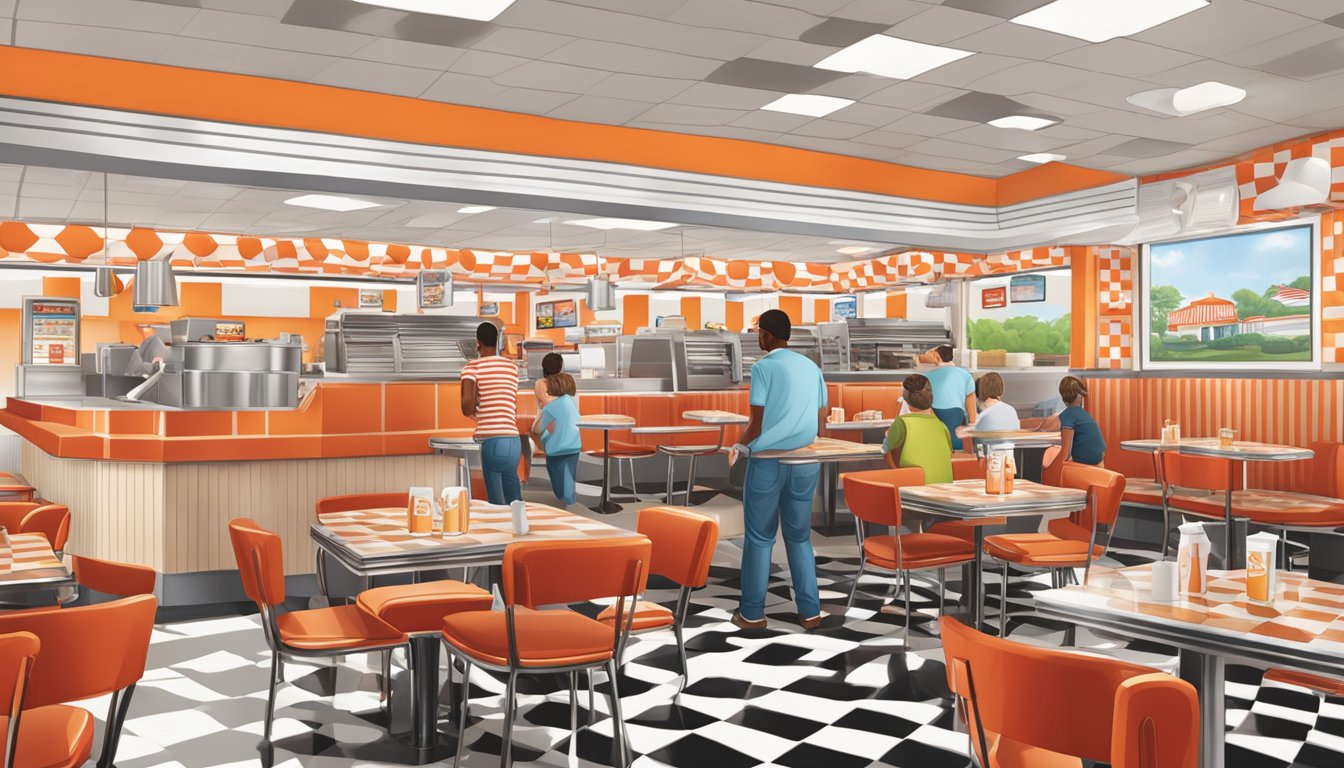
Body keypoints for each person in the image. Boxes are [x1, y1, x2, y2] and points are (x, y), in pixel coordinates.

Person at [730, 309, 828, 631]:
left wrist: (739, 448)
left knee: (760, 538)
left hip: (768, 461)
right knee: (799, 537)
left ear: (767, 336)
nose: (758, 337)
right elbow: (821, 421)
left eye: (759, 332)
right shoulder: (812, 367)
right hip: (805, 463)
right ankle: (810, 612)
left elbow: (756, 424)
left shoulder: (762, 367)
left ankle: (753, 613)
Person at [460, 322, 522, 505]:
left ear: (477, 343)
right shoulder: (511, 367)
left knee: (496, 502)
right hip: (513, 440)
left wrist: (478, 409)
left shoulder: (472, 367)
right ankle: (520, 530)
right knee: (514, 498)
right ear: (498, 341)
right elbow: (508, 402)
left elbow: (466, 407)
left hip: (493, 441)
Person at [884, 373, 954, 483]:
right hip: (945, 487)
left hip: (915, 487)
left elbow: (885, 450)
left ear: (906, 397)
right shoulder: (941, 426)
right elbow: (950, 452)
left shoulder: (901, 423)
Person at [531, 371, 580, 507]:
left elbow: (537, 429)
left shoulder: (551, 407)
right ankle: (570, 502)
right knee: (569, 477)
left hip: (556, 449)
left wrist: (541, 413)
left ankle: (562, 501)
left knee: (557, 479)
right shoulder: (570, 401)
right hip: (574, 446)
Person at [1045, 375, 1106, 480]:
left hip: (1087, 466)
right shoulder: (1083, 415)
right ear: (1080, 396)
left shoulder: (1067, 417)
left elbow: (1065, 455)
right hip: (1100, 463)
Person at [926, 344, 976, 451]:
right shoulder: (966, 375)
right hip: (957, 428)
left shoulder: (927, 377)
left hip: (933, 435)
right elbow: (972, 416)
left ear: (936, 356)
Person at [956, 372, 1020, 440]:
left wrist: (966, 430)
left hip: (993, 449)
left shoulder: (986, 414)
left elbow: (978, 434)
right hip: (1011, 449)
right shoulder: (1011, 410)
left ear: (981, 391)